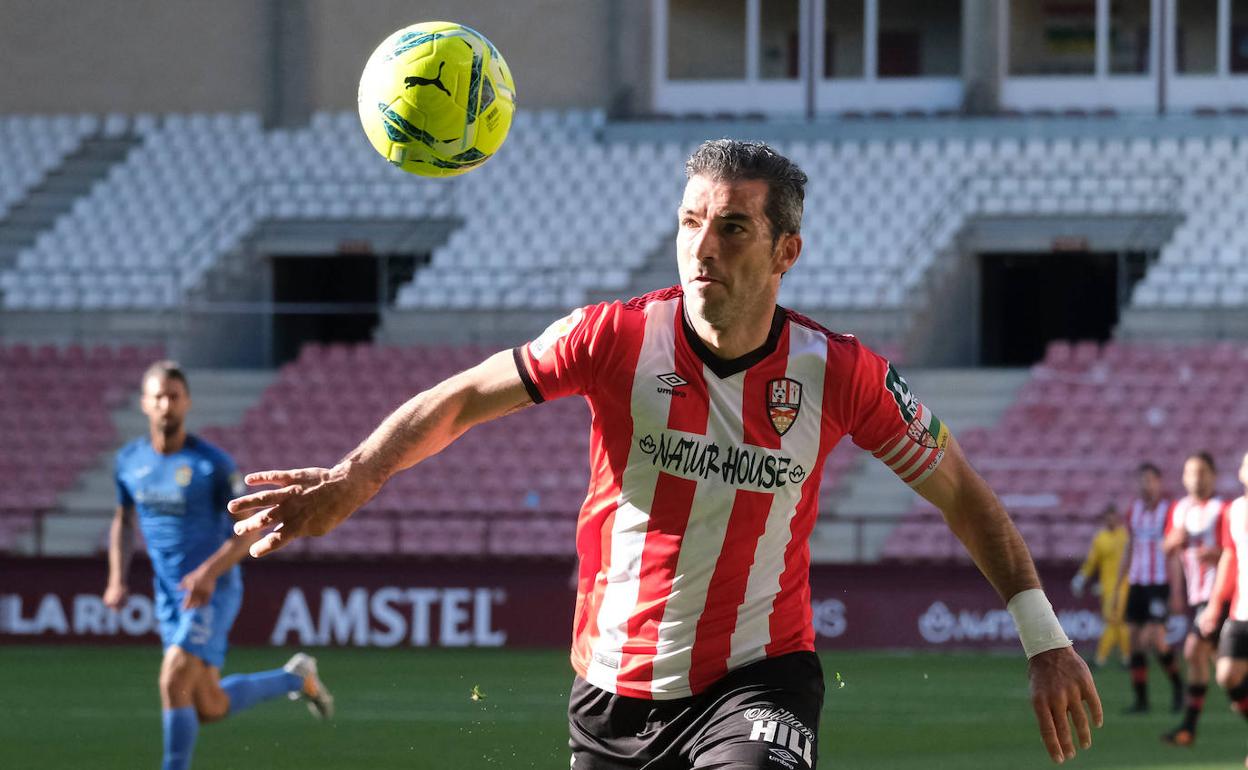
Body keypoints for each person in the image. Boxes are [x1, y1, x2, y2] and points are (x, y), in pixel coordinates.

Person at [229, 140, 1101, 767]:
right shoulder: (614, 337)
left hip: (760, 681)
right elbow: (460, 397)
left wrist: (1046, 641)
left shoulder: (842, 374)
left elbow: (963, 494)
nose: (703, 247)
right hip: (610, 690)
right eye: (691, 222)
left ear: (786, 251)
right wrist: (354, 478)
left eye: (732, 228)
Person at [104, 361, 333, 770]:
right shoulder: (129, 461)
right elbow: (124, 520)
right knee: (207, 705)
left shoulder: (213, 465)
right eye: (158, 396)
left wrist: (209, 572)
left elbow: (246, 531)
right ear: (144, 404)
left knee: (173, 678)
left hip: (214, 587)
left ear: (187, 402)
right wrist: (117, 578)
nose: (166, 404)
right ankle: (297, 678)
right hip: (169, 594)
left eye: (174, 396)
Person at [1161, 451, 1228, 746]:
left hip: (1223, 594)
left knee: (1193, 652)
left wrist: (1219, 554)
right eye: (1190, 473)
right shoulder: (1179, 509)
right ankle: (1188, 729)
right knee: (1224, 669)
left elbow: (1237, 550)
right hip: (1198, 596)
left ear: (1213, 475)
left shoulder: (1223, 509)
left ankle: (1188, 727)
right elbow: (1169, 547)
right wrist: (1176, 589)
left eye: (1201, 472)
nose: (1196, 479)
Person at [1115, 461, 1183, 714]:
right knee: (1134, 641)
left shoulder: (1169, 511)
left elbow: (1174, 553)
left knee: (1153, 639)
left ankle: (1178, 686)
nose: (1146, 485)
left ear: (1159, 483)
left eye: (1150, 480)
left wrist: (1176, 591)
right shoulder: (1133, 511)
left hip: (1159, 584)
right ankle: (1141, 701)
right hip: (1137, 583)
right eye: (1142, 480)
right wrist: (1118, 585)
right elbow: (1129, 548)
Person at [1198, 450, 1248, 768]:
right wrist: (1215, 604)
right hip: (1241, 612)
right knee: (1227, 674)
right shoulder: (1236, 510)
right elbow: (1230, 556)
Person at [1070, 504, 1129, 668]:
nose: (1111, 520)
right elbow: (1092, 562)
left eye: (1113, 516)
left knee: (1113, 620)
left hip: (1125, 586)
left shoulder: (1125, 536)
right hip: (1107, 587)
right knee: (1118, 621)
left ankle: (1100, 658)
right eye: (1108, 516)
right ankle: (1127, 657)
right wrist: (1081, 577)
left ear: (1117, 517)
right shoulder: (1100, 538)